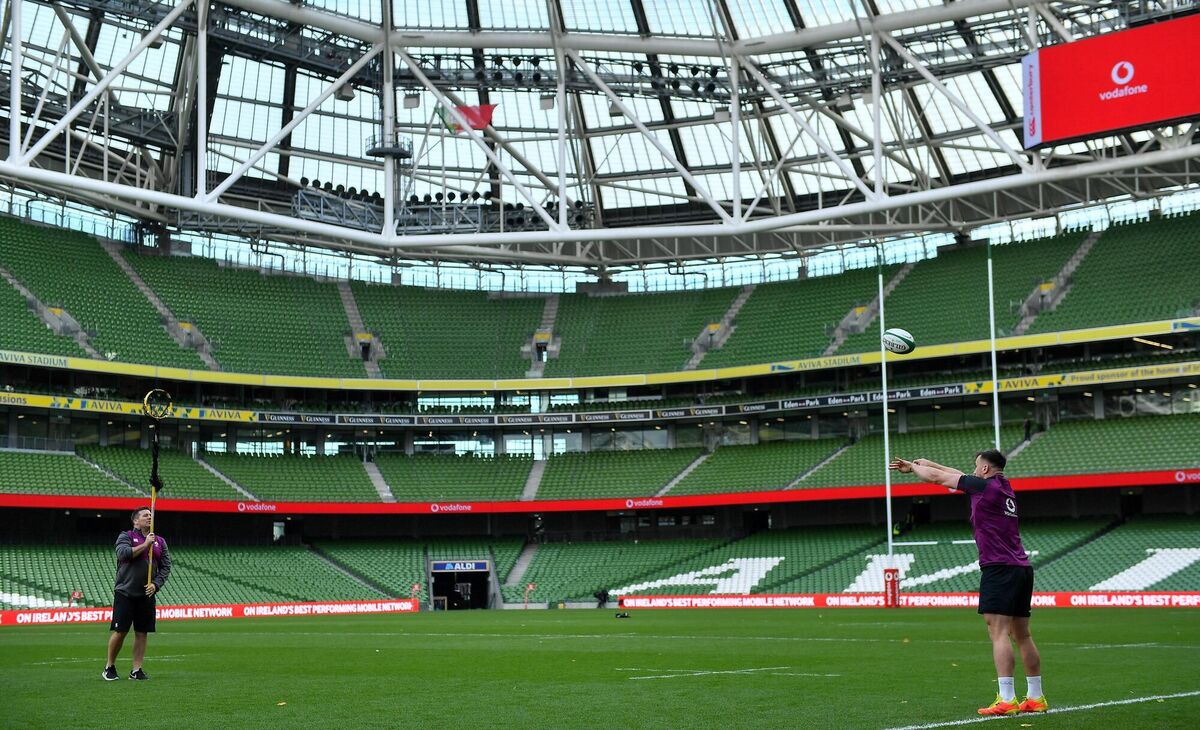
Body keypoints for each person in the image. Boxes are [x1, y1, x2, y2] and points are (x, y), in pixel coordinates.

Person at [889, 449, 1047, 716]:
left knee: (998, 632)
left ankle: (1007, 699)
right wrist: (927, 463)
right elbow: (957, 475)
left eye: (976, 467)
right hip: (1021, 568)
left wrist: (914, 469)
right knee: (1023, 635)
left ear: (985, 469)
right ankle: (1035, 697)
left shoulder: (983, 488)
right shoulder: (1003, 487)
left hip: (999, 568)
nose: (973, 471)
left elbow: (941, 479)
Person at [103, 506, 171, 681]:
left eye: (151, 515)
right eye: (145, 515)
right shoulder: (125, 536)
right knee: (121, 631)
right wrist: (145, 545)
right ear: (135, 520)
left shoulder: (160, 541)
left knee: (142, 632)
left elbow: (166, 567)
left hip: (146, 594)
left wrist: (156, 584)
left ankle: (136, 670)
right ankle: (109, 666)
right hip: (125, 591)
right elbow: (123, 554)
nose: (149, 517)